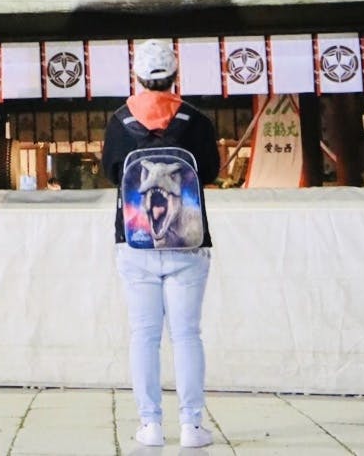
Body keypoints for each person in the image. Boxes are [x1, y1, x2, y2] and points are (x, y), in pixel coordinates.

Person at [102, 38, 221, 449]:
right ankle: (192, 426)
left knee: (144, 335)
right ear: (175, 76)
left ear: (136, 76)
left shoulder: (119, 121)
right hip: (188, 242)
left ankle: (150, 425)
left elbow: (110, 172)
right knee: (186, 335)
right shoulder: (197, 121)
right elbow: (210, 171)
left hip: (135, 242)